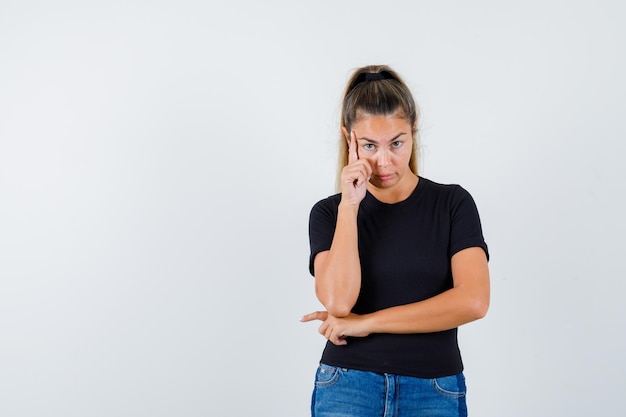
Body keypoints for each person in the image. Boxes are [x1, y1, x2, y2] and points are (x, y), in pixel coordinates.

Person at [300, 65, 490, 417]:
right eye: (369, 145)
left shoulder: (452, 204)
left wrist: (366, 323)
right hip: (348, 386)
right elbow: (339, 303)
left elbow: (474, 301)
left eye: (396, 143)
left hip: (434, 389)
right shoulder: (329, 213)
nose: (384, 161)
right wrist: (350, 206)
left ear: (414, 131)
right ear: (349, 138)